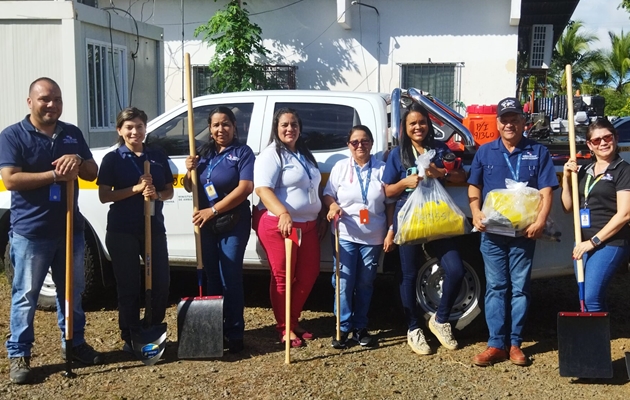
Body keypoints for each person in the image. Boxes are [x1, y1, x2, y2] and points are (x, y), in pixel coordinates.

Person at [0, 77, 103, 384]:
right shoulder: (13, 136)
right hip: (31, 233)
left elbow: (92, 172)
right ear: (30, 102)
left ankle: (74, 342)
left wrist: (78, 160)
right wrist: (55, 175)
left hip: (71, 229)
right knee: (25, 296)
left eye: (57, 99)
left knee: (72, 291)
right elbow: (11, 180)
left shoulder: (71, 133)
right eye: (45, 99)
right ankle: (19, 354)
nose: (52, 105)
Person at [468, 97, 558, 367]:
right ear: (497, 123)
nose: (509, 124)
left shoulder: (538, 151)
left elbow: (546, 190)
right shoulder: (485, 152)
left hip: (523, 235)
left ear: (523, 122)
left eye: (514, 119)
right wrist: (475, 213)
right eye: (504, 119)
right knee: (496, 287)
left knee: (519, 289)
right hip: (492, 235)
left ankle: (515, 343)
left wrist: (540, 220)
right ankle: (496, 344)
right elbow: (474, 187)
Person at [382, 102, 468, 355]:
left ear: (429, 125)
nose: (418, 127)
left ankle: (440, 320)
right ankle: (413, 328)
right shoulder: (397, 154)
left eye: (422, 122)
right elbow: (386, 190)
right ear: (404, 128)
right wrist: (404, 183)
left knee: (456, 269)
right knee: (408, 274)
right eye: (412, 123)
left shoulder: (440, 150)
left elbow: (461, 176)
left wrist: (440, 172)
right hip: (409, 220)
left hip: (438, 217)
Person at [96, 107, 174, 357]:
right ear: (120, 130)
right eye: (129, 127)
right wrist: (136, 188)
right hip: (122, 230)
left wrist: (156, 194)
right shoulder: (113, 159)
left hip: (153, 227)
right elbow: (104, 196)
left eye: (139, 126)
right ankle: (130, 334)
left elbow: (169, 190)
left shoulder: (157, 155)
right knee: (129, 285)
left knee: (161, 281)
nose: (135, 132)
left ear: (145, 128)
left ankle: (151, 327)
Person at [183, 107, 254, 353]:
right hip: (206, 224)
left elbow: (245, 188)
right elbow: (189, 188)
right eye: (215, 125)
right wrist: (188, 170)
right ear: (210, 129)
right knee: (212, 275)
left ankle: (234, 332)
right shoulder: (202, 153)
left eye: (226, 124)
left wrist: (213, 210)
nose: (220, 129)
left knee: (230, 276)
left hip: (233, 221)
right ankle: (213, 330)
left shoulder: (242, 153)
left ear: (234, 127)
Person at [254, 108, 325, 347]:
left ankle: (292, 320)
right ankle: (284, 328)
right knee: (283, 277)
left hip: (308, 226)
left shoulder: (304, 153)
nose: (289, 129)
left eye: (294, 124)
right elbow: (263, 189)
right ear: (276, 128)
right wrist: (283, 212)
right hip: (281, 226)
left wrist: (321, 214)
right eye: (284, 124)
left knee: (308, 275)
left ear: (300, 128)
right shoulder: (272, 154)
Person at [323, 125, 396, 349]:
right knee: (343, 282)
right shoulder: (340, 167)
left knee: (365, 283)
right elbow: (327, 194)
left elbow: (390, 203)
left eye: (364, 141)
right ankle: (342, 327)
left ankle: (360, 327)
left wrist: (391, 231)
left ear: (372, 144)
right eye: (355, 142)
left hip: (373, 237)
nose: (360, 145)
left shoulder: (382, 169)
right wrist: (333, 206)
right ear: (349, 145)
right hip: (344, 234)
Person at [561, 118, 630, 311]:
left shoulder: (624, 170)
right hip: (581, 242)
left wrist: (592, 242)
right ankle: (593, 338)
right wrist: (567, 179)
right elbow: (568, 207)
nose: (603, 143)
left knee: (591, 297)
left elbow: (625, 214)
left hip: (609, 242)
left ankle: (594, 342)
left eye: (607, 137)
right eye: (596, 140)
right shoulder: (583, 171)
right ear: (590, 145)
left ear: (615, 138)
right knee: (585, 296)